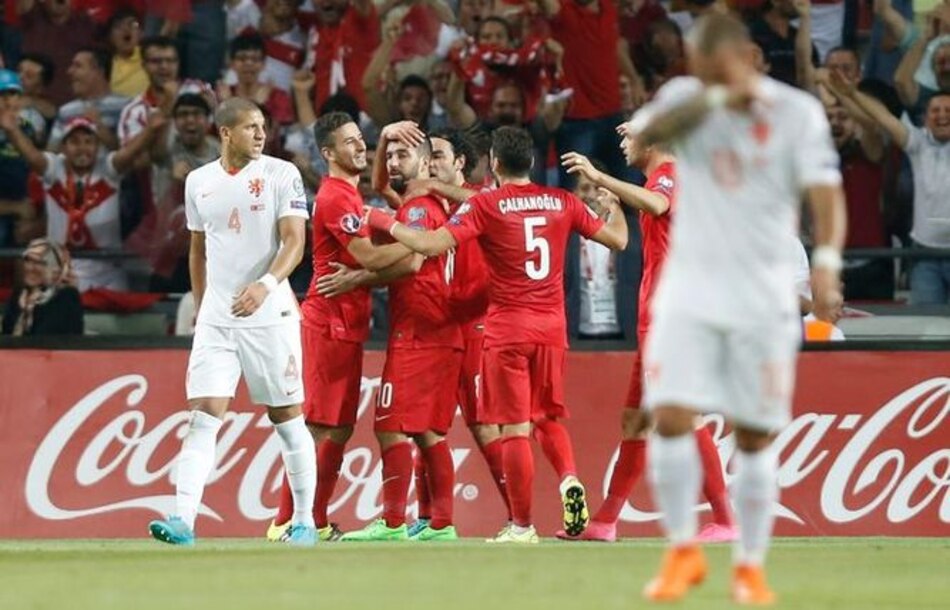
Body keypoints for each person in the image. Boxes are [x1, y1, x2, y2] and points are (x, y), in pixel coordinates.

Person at [626, 13, 845, 604]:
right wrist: (706, 98)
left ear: (749, 57)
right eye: (697, 67)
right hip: (690, 284)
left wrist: (825, 262)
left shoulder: (796, 114)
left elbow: (826, 192)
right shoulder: (687, 98)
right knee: (669, 414)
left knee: (753, 434)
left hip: (761, 291)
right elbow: (649, 130)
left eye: (713, 66)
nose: (702, 76)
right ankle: (681, 553)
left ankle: (749, 565)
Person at [365, 126, 629, 542]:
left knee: (512, 429)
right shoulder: (563, 200)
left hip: (506, 329)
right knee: (547, 416)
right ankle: (569, 478)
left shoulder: (488, 204)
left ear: (494, 162)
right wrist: (612, 206)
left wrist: (382, 221)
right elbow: (617, 240)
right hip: (553, 329)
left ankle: (522, 525)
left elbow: (432, 247)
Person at [148, 97, 317, 547]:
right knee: (203, 417)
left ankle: (303, 521)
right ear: (225, 133)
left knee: (287, 418)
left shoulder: (283, 174)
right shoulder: (199, 182)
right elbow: (198, 249)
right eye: (250, 127)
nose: (261, 134)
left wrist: (263, 285)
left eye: (263, 126)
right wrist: (204, 308)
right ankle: (183, 519)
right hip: (219, 319)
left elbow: (295, 242)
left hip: (271, 314)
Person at [558, 125, 736, 543]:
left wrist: (600, 177)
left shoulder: (668, 174)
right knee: (636, 421)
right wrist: (616, 200)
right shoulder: (662, 178)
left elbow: (657, 203)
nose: (621, 143)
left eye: (629, 137)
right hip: (656, 317)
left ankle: (727, 520)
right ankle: (604, 521)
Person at [265, 111, 417, 542]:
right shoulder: (334, 197)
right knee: (317, 425)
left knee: (339, 427)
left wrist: (385, 136)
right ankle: (288, 520)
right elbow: (368, 258)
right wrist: (414, 240)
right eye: (349, 142)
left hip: (346, 322)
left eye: (360, 139)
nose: (359, 146)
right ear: (328, 153)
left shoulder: (352, 196)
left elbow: (365, 266)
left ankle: (310, 517)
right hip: (327, 322)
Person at [340, 130, 464, 542]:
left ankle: (393, 522)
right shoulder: (426, 205)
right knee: (428, 431)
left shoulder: (416, 210)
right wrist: (387, 136)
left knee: (390, 426)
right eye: (389, 155)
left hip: (419, 331)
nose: (393, 162)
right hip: (437, 330)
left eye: (403, 155)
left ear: (426, 165)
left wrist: (359, 278)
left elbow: (412, 264)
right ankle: (439, 523)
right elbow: (379, 185)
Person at [0, 114, 163, 291]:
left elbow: (129, 153)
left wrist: (150, 130)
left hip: (108, 272)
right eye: (75, 142)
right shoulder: (54, 168)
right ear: (63, 147)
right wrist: (11, 130)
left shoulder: (108, 169)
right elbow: (32, 157)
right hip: (61, 271)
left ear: (97, 147)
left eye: (88, 142)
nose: (82, 148)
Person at [826, 75, 950, 304]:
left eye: (947, 110)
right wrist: (852, 93)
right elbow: (883, 118)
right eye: (935, 110)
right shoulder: (917, 143)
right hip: (924, 259)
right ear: (925, 118)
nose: (942, 115)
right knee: (925, 333)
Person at [2, 238, 82, 336]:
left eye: (40, 263)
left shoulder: (66, 295)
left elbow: (45, 339)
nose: (31, 268)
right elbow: (6, 334)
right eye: (28, 260)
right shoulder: (19, 294)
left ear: (56, 268)